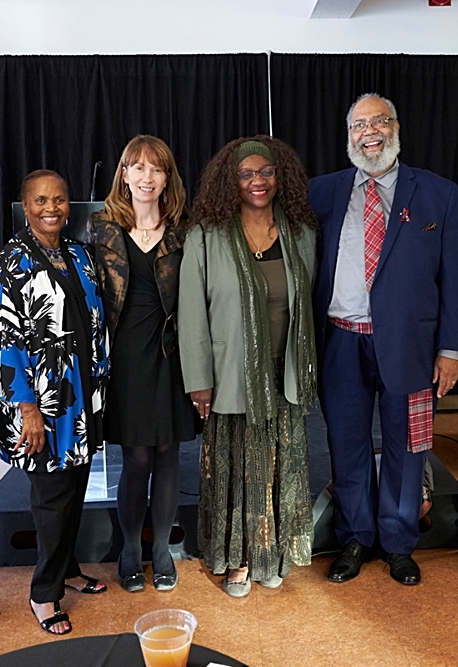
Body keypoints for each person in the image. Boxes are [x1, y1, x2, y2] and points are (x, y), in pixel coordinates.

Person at [309, 93, 458, 586]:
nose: (369, 131)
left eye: (379, 121)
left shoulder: (438, 193)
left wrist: (451, 350)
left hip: (412, 347)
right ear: (349, 134)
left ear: (396, 128)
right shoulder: (323, 192)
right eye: (359, 124)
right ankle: (356, 536)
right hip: (341, 342)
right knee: (347, 443)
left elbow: (455, 279)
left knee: (407, 446)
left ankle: (399, 542)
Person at [179, 135, 317, 597]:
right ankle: (237, 559)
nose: (258, 181)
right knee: (239, 470)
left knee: (280, 467)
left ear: (282, 177)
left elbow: (306, 304)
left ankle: (271, 554)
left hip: (287, 375)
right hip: (231, 378)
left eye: (266, 172)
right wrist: (200, 382)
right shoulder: (206, 235)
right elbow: (192, 313)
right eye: (246, 174)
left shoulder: (300, 232)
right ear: (230, 181)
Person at [0, 170, 109, 635]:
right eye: (40, 200)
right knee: (52, 499)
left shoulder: (77, 254)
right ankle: (44, 593)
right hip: (43, 402)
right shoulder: (10, 261)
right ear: (25, 204)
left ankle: (68, 568)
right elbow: (3, 340)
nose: (51, 207)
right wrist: (27, 408)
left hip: (81, 399)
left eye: (59, 199)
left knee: (75, 489)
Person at [89, 135, 199, 593]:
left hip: (173, 354)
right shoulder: (101, 229)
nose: (146, 177)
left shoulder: (185, 230)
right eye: (138, 167)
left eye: (157, 169)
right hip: (126, 357)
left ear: (167, 178)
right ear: (124, 175)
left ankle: (161, 552)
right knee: (135, 457)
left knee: (169, 453)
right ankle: (130, 548)